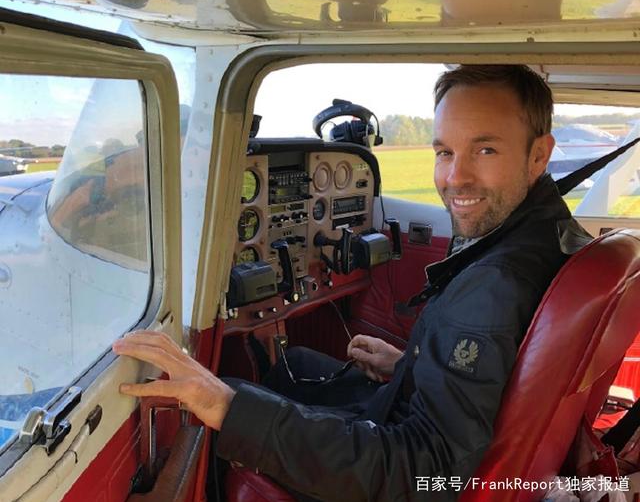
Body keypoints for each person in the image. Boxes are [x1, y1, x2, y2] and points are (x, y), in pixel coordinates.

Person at [113, 65, 592, 501]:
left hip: (414, 474)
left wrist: (226, 408)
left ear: (538, 156)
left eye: (485, 149)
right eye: (445, 151)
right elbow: (495, 381)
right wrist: (414, 368)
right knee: (292, 363)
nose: (454, 177)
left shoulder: (497, 284)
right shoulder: (550, 236)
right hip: (441, 442)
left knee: (223, 406)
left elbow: (424, 471)